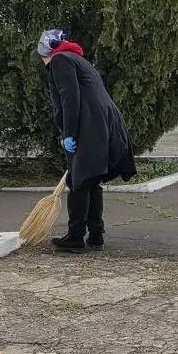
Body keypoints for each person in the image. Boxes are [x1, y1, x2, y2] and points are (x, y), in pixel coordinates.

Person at [34, 28, 136, 252]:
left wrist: (69, 133)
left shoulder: (60, 61)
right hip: (102, 123)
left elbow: (70, 98)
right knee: (90, 180)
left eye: (41, 56)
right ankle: (96, 235)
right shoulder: (77, 60)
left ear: (46, 52)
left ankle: (76, 237)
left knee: (79, 181)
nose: (42, 61)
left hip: (90, 126)